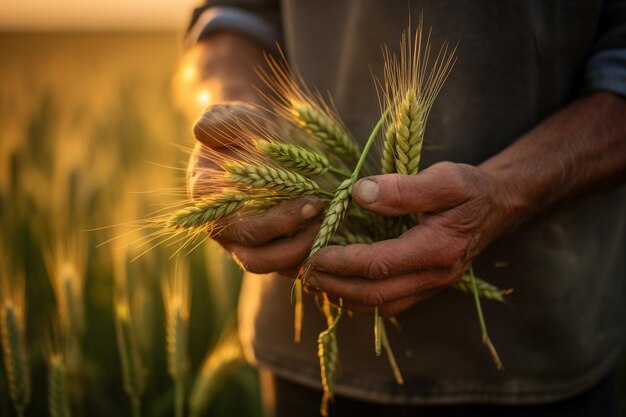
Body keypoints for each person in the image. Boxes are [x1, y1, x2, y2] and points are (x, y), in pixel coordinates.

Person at [174, 1, 626, 416]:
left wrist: (510, 190)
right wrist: (229, 120)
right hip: (304, 346)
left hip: (544, 354)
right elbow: (230, 16)